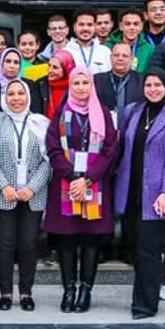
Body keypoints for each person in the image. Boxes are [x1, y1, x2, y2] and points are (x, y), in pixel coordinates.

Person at [114, 72, 165, 319]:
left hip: (157, 196)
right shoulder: (132, 111)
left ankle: (145, 305)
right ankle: (141, 296)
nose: (153, 89)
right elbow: (120, 148)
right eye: (148, 84)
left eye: (158, 84)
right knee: (135, 249)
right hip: (131, 192)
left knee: (149, 250)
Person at [46, 67, 120, 312]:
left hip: (95, 186)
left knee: (91, 241)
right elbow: (53, 148)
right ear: (70, 86)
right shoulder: (61, 113)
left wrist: (88, 179)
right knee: (66, 241)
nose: (80, 87)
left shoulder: (103, 114)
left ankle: (85, 291)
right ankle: (69, 290)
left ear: (92, 86)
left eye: (84, 83)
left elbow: (110, 149)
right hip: (65, 185)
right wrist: (72, 177)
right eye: (76, 83)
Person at [0, 79, 52, 310]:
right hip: (3, 194)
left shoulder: (41, 122)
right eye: (11, 94)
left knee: (29, 244)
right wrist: (4, 186)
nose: (16, 98)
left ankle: (25, 293)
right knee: (5, 244)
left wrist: (32, 187)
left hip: (33, 194)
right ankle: (5, 293)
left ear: (28, 96)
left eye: (20, 93)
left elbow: (49, 159)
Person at [94, 42, 145, 130]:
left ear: (131, 59)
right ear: (110, 58)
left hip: (134, 130)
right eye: (116, 55)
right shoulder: (97, 80)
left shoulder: (142, 81)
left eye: (124, 56)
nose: (120, 58)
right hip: (105, 130)